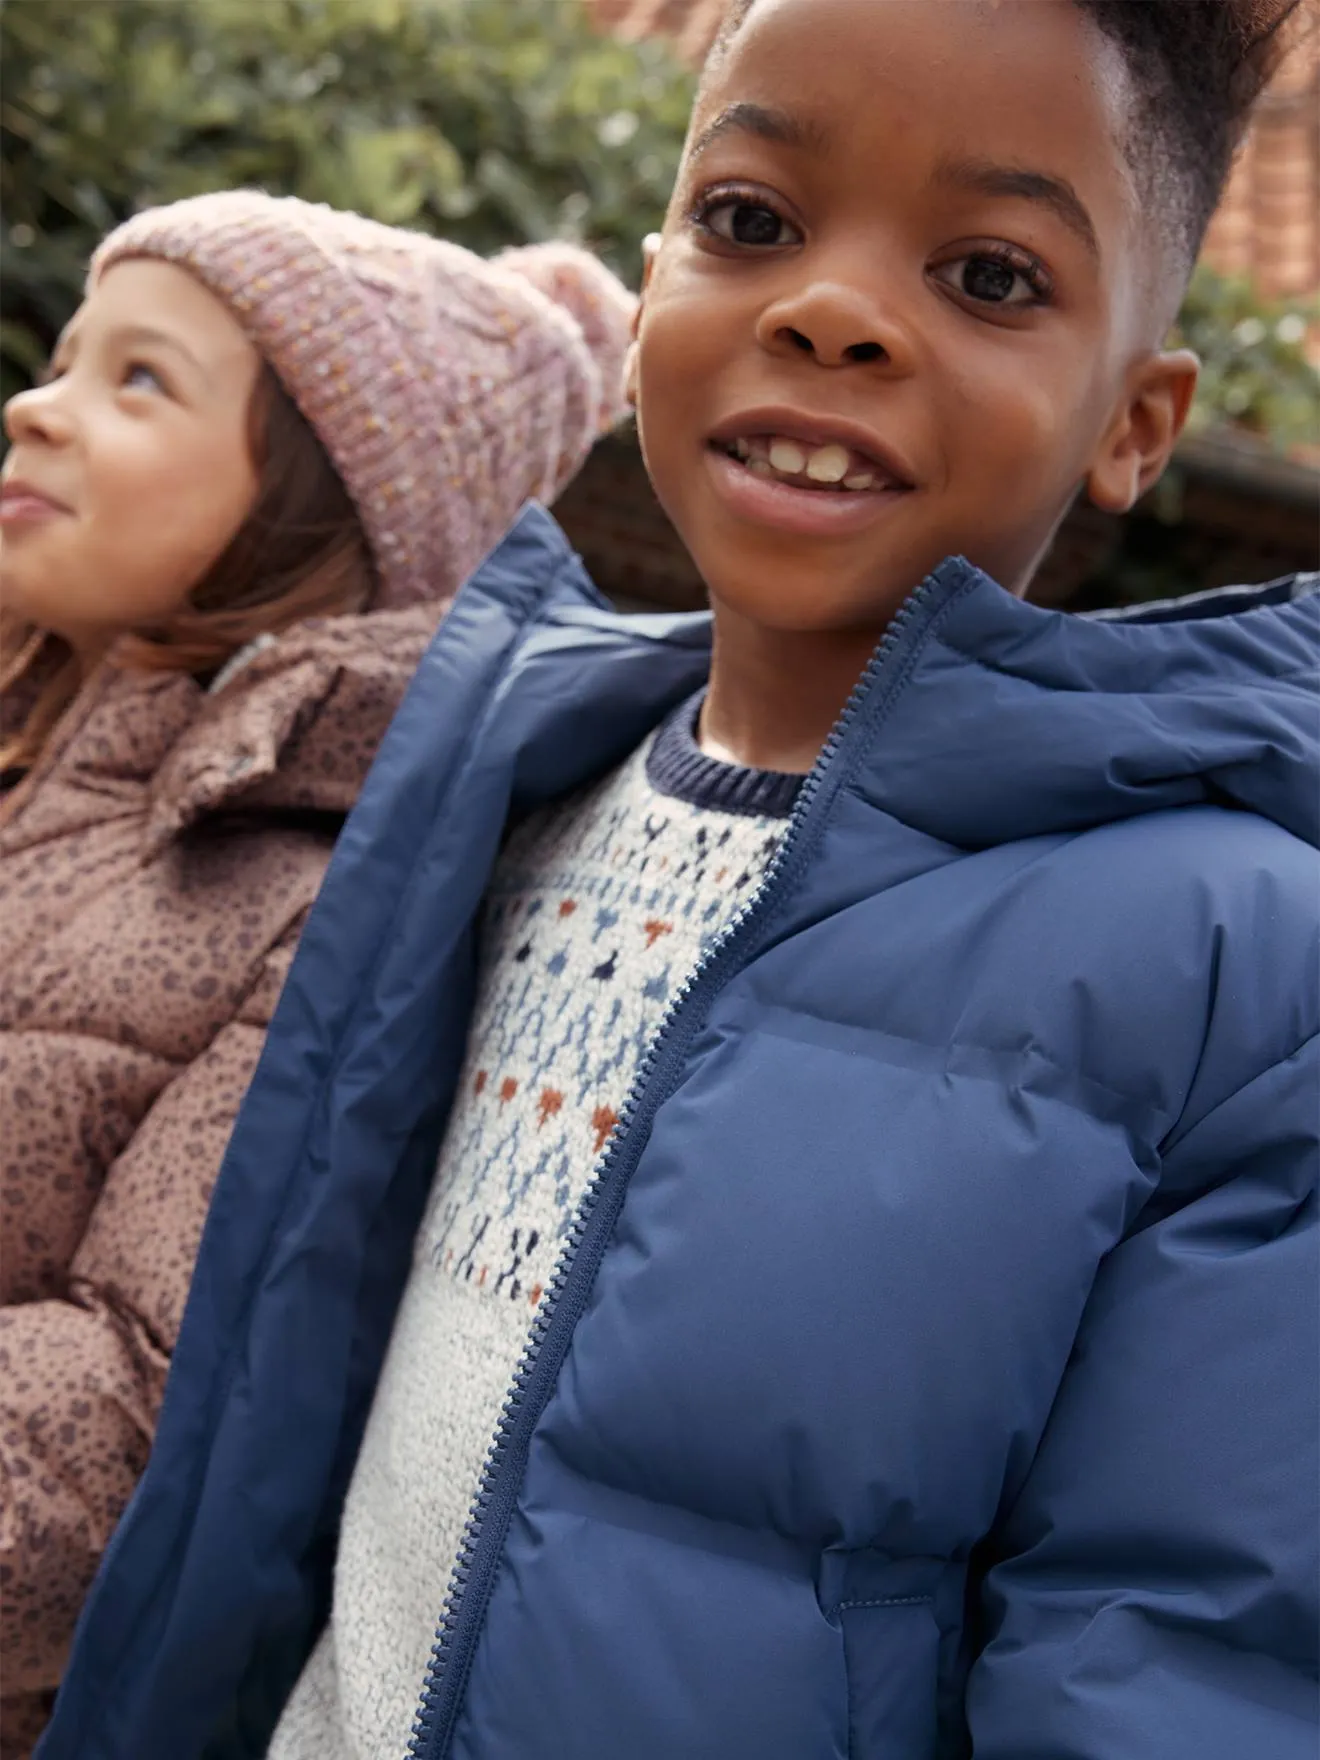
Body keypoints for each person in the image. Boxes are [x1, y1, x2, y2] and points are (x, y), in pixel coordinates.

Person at [41, 3, 1319, 1757]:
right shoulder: (478, 794)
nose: (832, 309)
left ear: (1139, 421)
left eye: (992, 275)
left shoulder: (1235, 965)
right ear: (650, 298)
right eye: (752, 222)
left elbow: (1186, 1658)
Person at [0, 190, 634, 1760]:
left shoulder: (320, 891)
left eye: (139, 382)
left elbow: (136, 1410)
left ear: (330, 505)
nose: (37, 404)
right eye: (68, 360)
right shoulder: (33, 754)